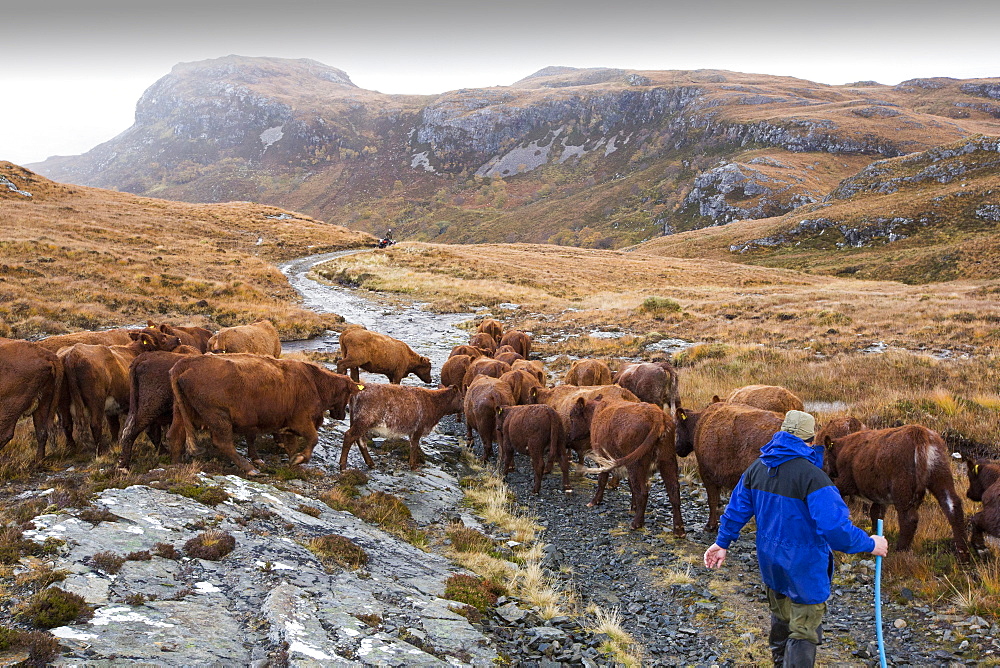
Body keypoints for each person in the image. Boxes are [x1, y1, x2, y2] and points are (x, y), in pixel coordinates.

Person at [703, 410, 889, 667]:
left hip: (771, 563)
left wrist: (721, 542)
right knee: (804, 631)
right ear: (811, 440)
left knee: (781, 619)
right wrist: (871, 544)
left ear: (782, 433)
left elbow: (736, 510)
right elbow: (835, 530)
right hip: (805, 566)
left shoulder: (758, 467)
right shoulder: (813, 477)